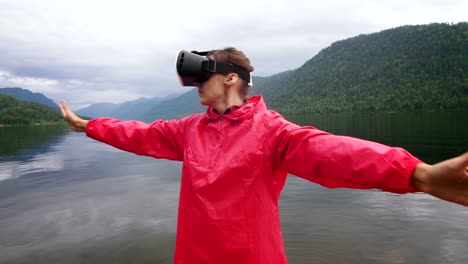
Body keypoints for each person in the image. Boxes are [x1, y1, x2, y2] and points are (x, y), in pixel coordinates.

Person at [60, 47, 468, 264]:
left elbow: (331, 152)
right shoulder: (189, 130)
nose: (195, 86)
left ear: (232, 77)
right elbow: (139, 133)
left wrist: (417, 174)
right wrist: (88, 126)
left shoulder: (271, 131)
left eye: (204, 76)